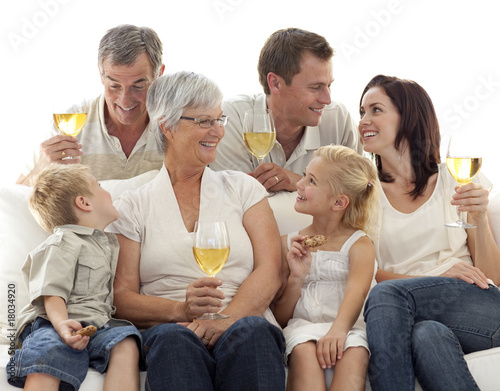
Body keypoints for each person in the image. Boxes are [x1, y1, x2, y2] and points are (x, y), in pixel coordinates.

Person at [107, 71, 285, 390]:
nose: (218, 131)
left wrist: (226, 319)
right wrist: (181, 309)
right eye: (204, 121)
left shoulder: (243, 189)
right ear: (168, 127)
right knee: (173, 339)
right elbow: (121, 297)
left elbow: (271, 270)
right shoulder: (133, 206)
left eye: (220, 119)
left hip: (243, 323)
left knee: (255, 333)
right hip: (173, 330)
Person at [359, 75, 500, 391]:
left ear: (408, 118)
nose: (363, 121)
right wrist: (439, 278)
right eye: (362, 111)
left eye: (375, 110)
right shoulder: (361, 195)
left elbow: (491, 275)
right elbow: (362, 273)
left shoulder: (455, 180)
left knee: (386, 295)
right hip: (410, 319)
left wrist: (477, 214)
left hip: (479, 307)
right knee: (427, 335)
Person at [7, 164, 142, 391]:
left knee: (127, 342)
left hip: (97, 324)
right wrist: (61, 325)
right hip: (52, 323)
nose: (106, 191)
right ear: (84, 203)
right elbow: (52, 293)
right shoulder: (62, 243)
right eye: (99, 186)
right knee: (49, 351)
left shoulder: (105, 244)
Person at [273, 145, 379, 391]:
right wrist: (296, 278)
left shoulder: (359, 244)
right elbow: (281, 318)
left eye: (311, 181)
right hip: (302, 328)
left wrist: (338, 331)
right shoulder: (287, 244)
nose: (299, 184)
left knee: (356, 355)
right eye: (304, 175)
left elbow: (357, 291)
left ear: (339, 202)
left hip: (349, 327)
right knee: (302, 352)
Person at [209, 27, 362, 192]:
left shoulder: (339, 120)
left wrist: (297, 182)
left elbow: (359, 197)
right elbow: (237, 202)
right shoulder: (232, 118)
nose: (327, 99)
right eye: (315, 87)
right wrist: (319, 189)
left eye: (329, 85)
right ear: (275, 83)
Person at [17, 24, 165, 186]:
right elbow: (14, 200)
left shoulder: (174, 124)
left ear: (159, 75)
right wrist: (40, 171)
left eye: (138, 86)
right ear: (101, 76)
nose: (125, 100)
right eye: (114, 86)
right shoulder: (70, 124)